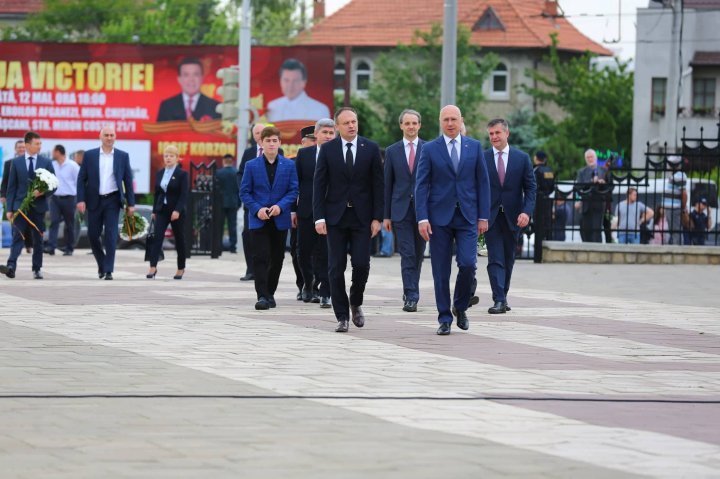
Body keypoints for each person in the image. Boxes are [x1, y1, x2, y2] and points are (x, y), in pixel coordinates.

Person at [415, 105, 490, 335]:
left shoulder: (474, 147)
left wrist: (483, 216)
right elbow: (421, 185)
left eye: (454, 119)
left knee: (468, 264)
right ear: (440, 122)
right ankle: (444, 318)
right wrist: (422, 218)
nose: (450, 123)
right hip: (438, 218)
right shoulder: (429, 149)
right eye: (446, 119)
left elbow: (483, 183)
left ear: (461, 121)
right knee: (440, 270)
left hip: (467, 216)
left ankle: (460, 306)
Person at [313, 107, 383, 332]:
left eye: (354, 121)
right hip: (335, 217)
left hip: (362, 217)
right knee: (335, 267)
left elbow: (378, 186)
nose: (352, 125)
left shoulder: (370, 148)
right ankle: (341, 315)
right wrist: (319, 217)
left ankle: (356, 300)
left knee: (362, 264)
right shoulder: (328, 150)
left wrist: (377, 217)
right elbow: (319, 185)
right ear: (337, 127)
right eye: (347, 123)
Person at [240, 126, 299, 310]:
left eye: (275, 141)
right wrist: (257, 209)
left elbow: (293, 190)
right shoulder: (251, 165)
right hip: (258, 219)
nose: (272, 144)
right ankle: (262, 296)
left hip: (279, 219)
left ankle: (270, 292)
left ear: (280, 143)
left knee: (277, 258)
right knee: (260, 257)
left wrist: (280, 206)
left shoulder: (289, 165)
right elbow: (244, 192)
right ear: (261, 143)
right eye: (268, 141)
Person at [483, 118, 536, 314]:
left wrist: (526, 211)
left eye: (497, 133)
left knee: (508, 258)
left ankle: (503, 296)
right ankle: (498, 299)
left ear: (507, 133)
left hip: (515, 218)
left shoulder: (521, 159)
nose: (494, 137)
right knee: (494, 258)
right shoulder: (483, 157)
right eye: (491, 134)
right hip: (490, 217)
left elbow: (531, 188)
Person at [77, 125, 136, 280]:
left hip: (113, 200)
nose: (109, 138)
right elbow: (81, 179)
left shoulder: (123, 156)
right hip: (94, 200)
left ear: (115, 137)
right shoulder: (90, 155)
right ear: (100, 137)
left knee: (110, 235)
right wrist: (81, 199)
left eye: (112, 135)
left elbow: (128, 181)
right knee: (92, 234)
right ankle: (102, 263)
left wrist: (131, 203)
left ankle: (108, 270)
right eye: (106, 135)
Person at [383, 109, 427, 312]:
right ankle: (411, 295)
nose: (411, 127)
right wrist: (386, 215)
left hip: (423, 211)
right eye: (407, 123)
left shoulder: (429, 149)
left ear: (419, 125)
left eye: (414, 123)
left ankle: (411, 288)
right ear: (401, 125)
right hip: (400, 210)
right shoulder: (392, 151)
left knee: (418, 254)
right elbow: (387, 184)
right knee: (407, 253)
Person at [0, 131, 56, 280]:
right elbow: (11, 187)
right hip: (20, 207)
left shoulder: (46, 162)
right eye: (36, 144)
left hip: (38, 208)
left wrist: (42, 192)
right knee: (17, 237)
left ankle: (37, 268)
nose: (39, 146)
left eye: (40, 144)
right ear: (27, 145)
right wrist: (10, 209)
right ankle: (11, 266)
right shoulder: (16, 162)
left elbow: (54, 185)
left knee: (38, 239)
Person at [294, 118, 335, 308]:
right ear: (316, 135)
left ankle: (325, 290)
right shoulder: (304, 155)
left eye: (331, 133)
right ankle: (308, 283)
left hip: (330, 212)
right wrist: (293, 210)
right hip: (306, 211)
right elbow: (296, 184)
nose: (327, 136)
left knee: (326, 252)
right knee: (303, 251)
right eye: (324, 133)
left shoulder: (339, 155)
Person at [238, 123, 285, 281]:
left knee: (274, 248)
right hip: (252, 206)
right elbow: (241, 175)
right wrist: (249, 196)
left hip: (276, 209)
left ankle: (268, 272)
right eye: (257, 133)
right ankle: (251, 269)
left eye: (261, 132)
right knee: (248, 235)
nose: (259, 135)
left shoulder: (281, 155)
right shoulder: (249, 154)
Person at [147, 145, 189, 279]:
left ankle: (180, 268)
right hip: (162, 210)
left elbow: (184, 195)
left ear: (177, 158)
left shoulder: (182, 174)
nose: (168, 158)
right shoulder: (160, 173)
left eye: (171, 156)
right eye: (166, 156)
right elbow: (157, 193)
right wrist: (154, 210)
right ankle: (153, 267)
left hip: (176, 211)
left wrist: (177, 210)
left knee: (179, 239)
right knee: (157, 238)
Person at [156, 57, 221, 122]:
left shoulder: (215, 107)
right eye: (186, 75)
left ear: (202, 78)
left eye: (195, 74)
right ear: (179, 79)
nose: (191, 79)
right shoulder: (167, 106)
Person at [266, 59, 331, 122]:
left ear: (304, 83)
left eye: (295, 81)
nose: (290, 85)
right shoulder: (272, 107)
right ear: (280, 81)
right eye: (286, 80)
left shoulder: (320, 110)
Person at [46, 144, 80, 256]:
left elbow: (79, 182)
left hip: (69, 199)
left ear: (58, 152)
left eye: (53, 151)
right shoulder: (52, 165)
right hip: (55, 198)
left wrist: (79, 198)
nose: (52, 154)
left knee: (69, 224)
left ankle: (69, 248)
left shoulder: (73, 165)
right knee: (54, 222)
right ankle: (51, 247)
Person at [1, 140, 33, 253]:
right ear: (15, 149)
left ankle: (29, 244)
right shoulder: (9, 163)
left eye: (23, 147)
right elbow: (5, 181)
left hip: (28, 197)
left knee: (28, 222)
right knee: (14, 222)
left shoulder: (30, 162)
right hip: (13, 197)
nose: (21, 149)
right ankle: (15, 246)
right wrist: (3, 195)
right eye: (19, 147)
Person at [575, 149, 610, 243]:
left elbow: (610, 187)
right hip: (586, 205)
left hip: (599, 204)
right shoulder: (581, 172)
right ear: (585, 159)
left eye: (592, 157)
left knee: (597, 231)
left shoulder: (604, 170)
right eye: (588, 157)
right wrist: (591, 182)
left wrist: (603, 183)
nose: (590, 159)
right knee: (585, 231)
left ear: (596, 158)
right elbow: (578, 187)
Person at [532, 150, 554, 262]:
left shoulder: (536, 170)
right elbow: (552, 187)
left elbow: (533, 187)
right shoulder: (549, 170)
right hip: (547, 201)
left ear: (536, 158)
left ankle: (538, 256)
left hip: (538, 202)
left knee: (538, 227)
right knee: (548, 226)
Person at [215, 154, 240, 253]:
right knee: (232, 225)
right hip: (233, 203)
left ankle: (218, 246)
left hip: (220, 203)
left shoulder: (218, 173)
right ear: (232, 161)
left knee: (219, 225)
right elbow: (240, 190)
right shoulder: (236, 173)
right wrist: (239, 203)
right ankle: (233, 247)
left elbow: (215, 189)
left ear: (223, 161)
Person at [662, 169, 688, 245]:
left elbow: (684, 194)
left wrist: (683, 207)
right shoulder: (676, 175)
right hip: (672, 208)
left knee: (676, 231)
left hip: (674, 208)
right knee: (674, 231)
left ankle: (677, 251)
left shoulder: (679, 175)